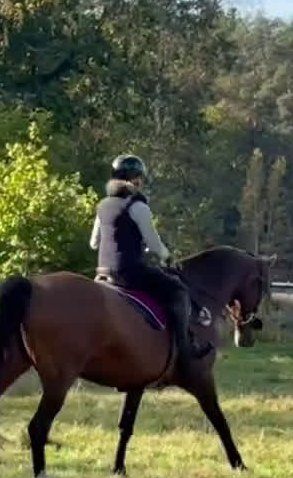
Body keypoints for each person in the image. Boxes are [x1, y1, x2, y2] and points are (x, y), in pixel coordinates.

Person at [89, 154, 212, 366]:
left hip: (102, 272)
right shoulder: (138, 206)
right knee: (178, 290)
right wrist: (167, 257)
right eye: (141, 179)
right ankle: (184, 349)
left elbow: (94, 243)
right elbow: (154, 245)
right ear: (136, 180)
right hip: (129, 273)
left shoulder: (103, 205)